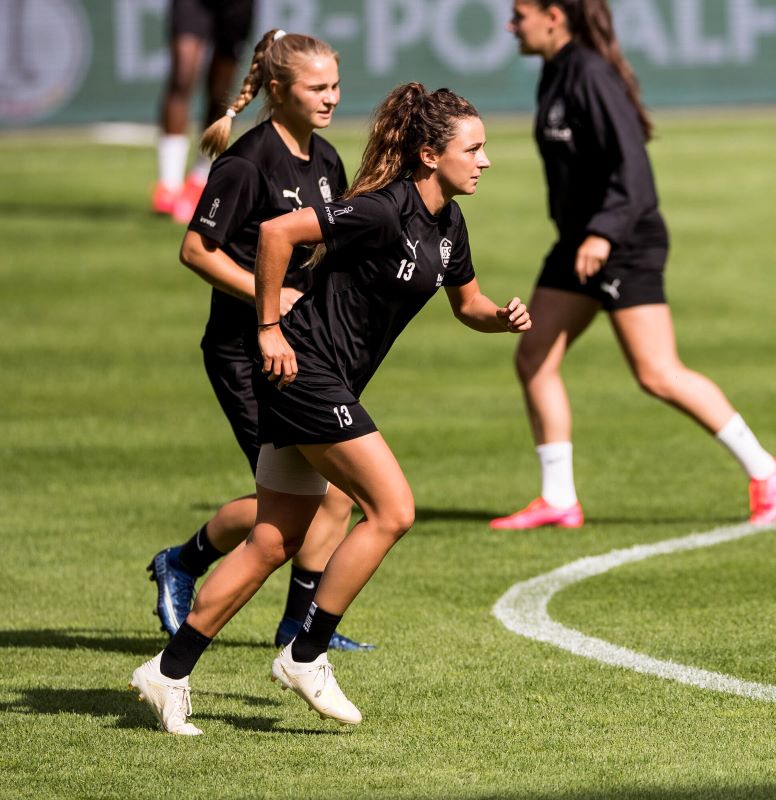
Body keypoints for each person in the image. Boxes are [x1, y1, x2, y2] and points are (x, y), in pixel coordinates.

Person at [130, 83, 532, 735]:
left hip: (321, 381)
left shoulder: (448, 225)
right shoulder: (382, 211)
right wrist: (267, 328)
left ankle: (167, 672)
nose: (485, 161)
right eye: (475, 148)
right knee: (393, 508)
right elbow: (279, 233)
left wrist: (502, 317)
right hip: (306, 376)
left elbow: (468, 305)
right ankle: (306, 655)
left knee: (272, 539)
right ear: (430, 155)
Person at [491, 0, 776, 531]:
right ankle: (559, 499)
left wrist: (604, 234)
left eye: (520, 14)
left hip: (621, 240)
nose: (511, 24)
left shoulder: (589, 73)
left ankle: (766, 470)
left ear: (554, 16)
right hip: (579, 242)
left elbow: (634, 171)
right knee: (534, 355)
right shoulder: (556, 72)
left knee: (657, 373)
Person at [146, 28, 372, 652]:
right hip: (244, 354)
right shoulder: (247, 162)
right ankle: (187, 564)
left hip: (299, 352)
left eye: (335, 86)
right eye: (316, 88)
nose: (331, 98)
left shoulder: (325, 161)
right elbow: (196, 250)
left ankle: (295, 626)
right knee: (311, 502)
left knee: (329, 497)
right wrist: (267, 299)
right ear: (278, 90)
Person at [153, 0, 256, 223]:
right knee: (182, 75)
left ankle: (200, 178)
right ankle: (169, 185)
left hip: (237, 7)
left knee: (221, 91)